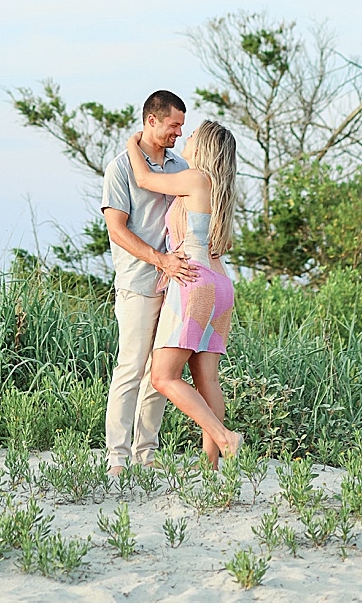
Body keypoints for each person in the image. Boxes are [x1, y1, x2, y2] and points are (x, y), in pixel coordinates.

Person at [126, 119, 242, 465]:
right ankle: (212, 467)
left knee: (163, 376)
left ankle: (225, 437)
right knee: (207, 378)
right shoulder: (221, 190)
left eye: (192, 135)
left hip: (193, 281)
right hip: (220, 284)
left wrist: (134, 142)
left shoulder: (195, 179)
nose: (185, 138)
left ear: (203, 145)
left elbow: (144, 179)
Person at [101, 90, 198, 475]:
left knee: (160, 373)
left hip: (175, 285)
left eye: (182, 127)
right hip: (138, 282)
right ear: (152, 120)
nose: (178, 132)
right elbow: (116, 230)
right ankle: (117, 459)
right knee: (131, 367)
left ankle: (147, 454)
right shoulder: (120, 168)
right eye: (174, 124)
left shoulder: (179, 164)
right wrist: (160, 260)